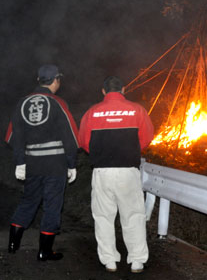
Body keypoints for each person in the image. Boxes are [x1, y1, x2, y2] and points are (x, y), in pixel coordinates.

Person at [78, 76, 154, 273]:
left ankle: (109, 260)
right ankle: (137, 260)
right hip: (128, 171)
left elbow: (84, 142)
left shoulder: (92, 112)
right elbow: (145, 139)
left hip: (102, 171)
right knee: (134, 216)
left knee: (103, 217)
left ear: (103, 91)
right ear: (124, 89)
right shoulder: (137, 110)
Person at [5, 64, 79, 261]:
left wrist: (20, 162)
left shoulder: (22, 103)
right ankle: (44, 251)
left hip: (32, 163)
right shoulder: (58, 103)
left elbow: (14, 136)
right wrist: (72, 163)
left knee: (28, 201)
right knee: (52, 205)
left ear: (38, 80)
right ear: (56, 80)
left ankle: (13, 244)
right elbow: (70, 135)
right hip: (55, 164)